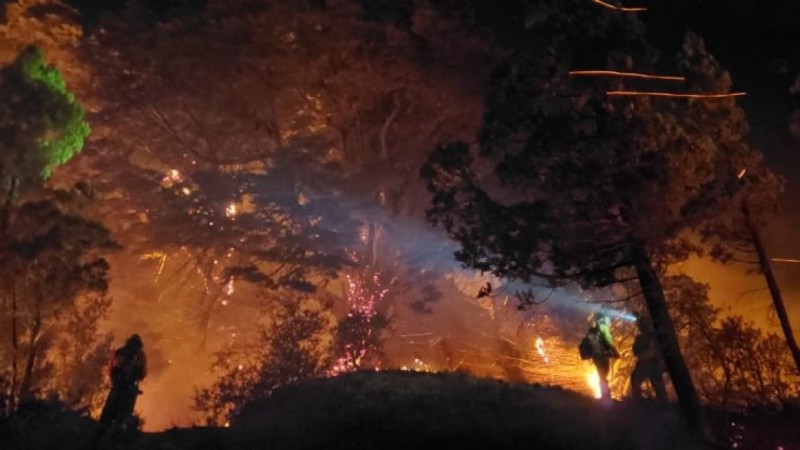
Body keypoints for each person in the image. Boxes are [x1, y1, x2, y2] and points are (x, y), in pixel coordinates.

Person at [98, 334, 147, 433]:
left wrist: (115, 380)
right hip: (130, 389)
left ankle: (98, 438)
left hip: (117, 387)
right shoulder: (140, 355)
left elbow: (112, 368)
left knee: (107, 414)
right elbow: (142, 374)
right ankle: (117, 438)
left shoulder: (120, 351)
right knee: (123, 417)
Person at [630, 316, 668, 403]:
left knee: (657, 385)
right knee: (637, 380)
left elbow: (657, 350)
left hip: (651, 364)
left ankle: (662, 404)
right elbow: (636, 351)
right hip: (648, 364)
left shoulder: (652, 337)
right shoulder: (645, 337)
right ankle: (641, 401)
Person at [590, 312, 620, 401]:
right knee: (604, 375)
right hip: (603, 357)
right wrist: (615, 353)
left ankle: (605, 396)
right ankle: (606, 397)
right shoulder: (604, 329)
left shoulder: (593, 330)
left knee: (601, 376)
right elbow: (609, 342)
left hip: (596, 358)